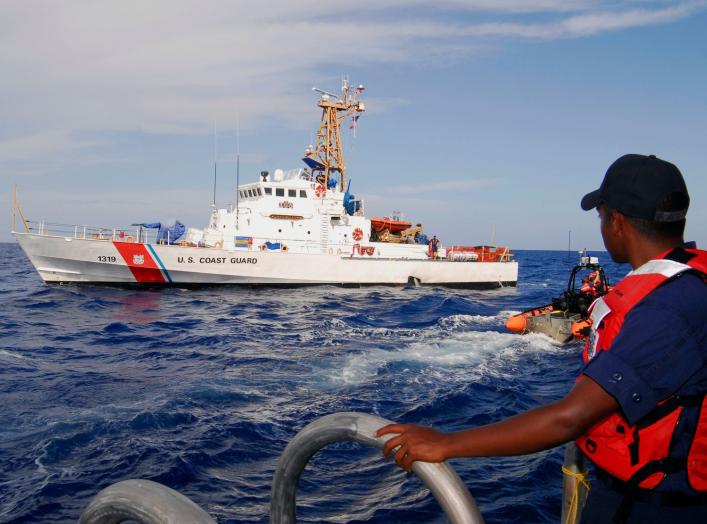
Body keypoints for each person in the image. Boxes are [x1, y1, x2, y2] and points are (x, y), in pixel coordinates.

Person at [376, 154, 707, 523]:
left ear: (616, 220)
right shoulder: (687, 285)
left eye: (600, 216)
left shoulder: (668, 308)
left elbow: (570, 418)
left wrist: (446, 443)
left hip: (657, 507)